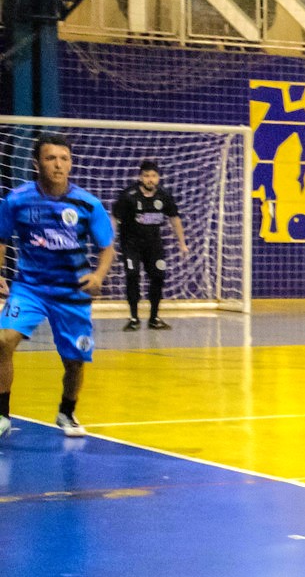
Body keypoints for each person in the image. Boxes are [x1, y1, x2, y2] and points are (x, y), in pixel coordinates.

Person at [0, 135, 117, 439]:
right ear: (36, 164)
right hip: (30, 287)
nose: (59, 164)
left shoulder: (87, 204)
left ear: (71, 163)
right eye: (51, 158)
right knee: (2, 341)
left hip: (72, 293)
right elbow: (0, 238)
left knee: (74, 361)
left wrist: (98, 276)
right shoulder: (16, 200)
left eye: (64, 158)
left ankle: (66, 412)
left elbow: (106, 247)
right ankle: (1, 415)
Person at [110, 159, 188, 330]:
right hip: (131, 244)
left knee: (158, 277)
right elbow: (114, 217)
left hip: (154, 245)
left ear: (158, 178)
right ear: (140, 177)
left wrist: (182, 244)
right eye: (146, 176)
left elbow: (174, 218)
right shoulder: (129, 195)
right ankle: (133, 318)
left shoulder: (164, 196)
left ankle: (154, 318)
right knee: (132, 276)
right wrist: (110, 244)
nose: (150, 179)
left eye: (153, 176)